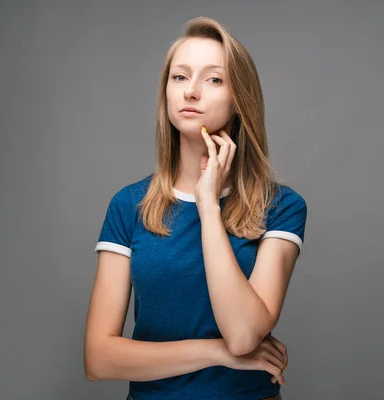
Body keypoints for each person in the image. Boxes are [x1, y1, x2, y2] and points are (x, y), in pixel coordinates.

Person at [84, 16, 307, 400]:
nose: (191, 92)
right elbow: (99, 359)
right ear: (166, 93)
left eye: (214, 79)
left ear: (240, 100)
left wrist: (208, 206)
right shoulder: (129, 206)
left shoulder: (281, 208)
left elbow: (242, 335)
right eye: (180, 77)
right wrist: (215, 353)